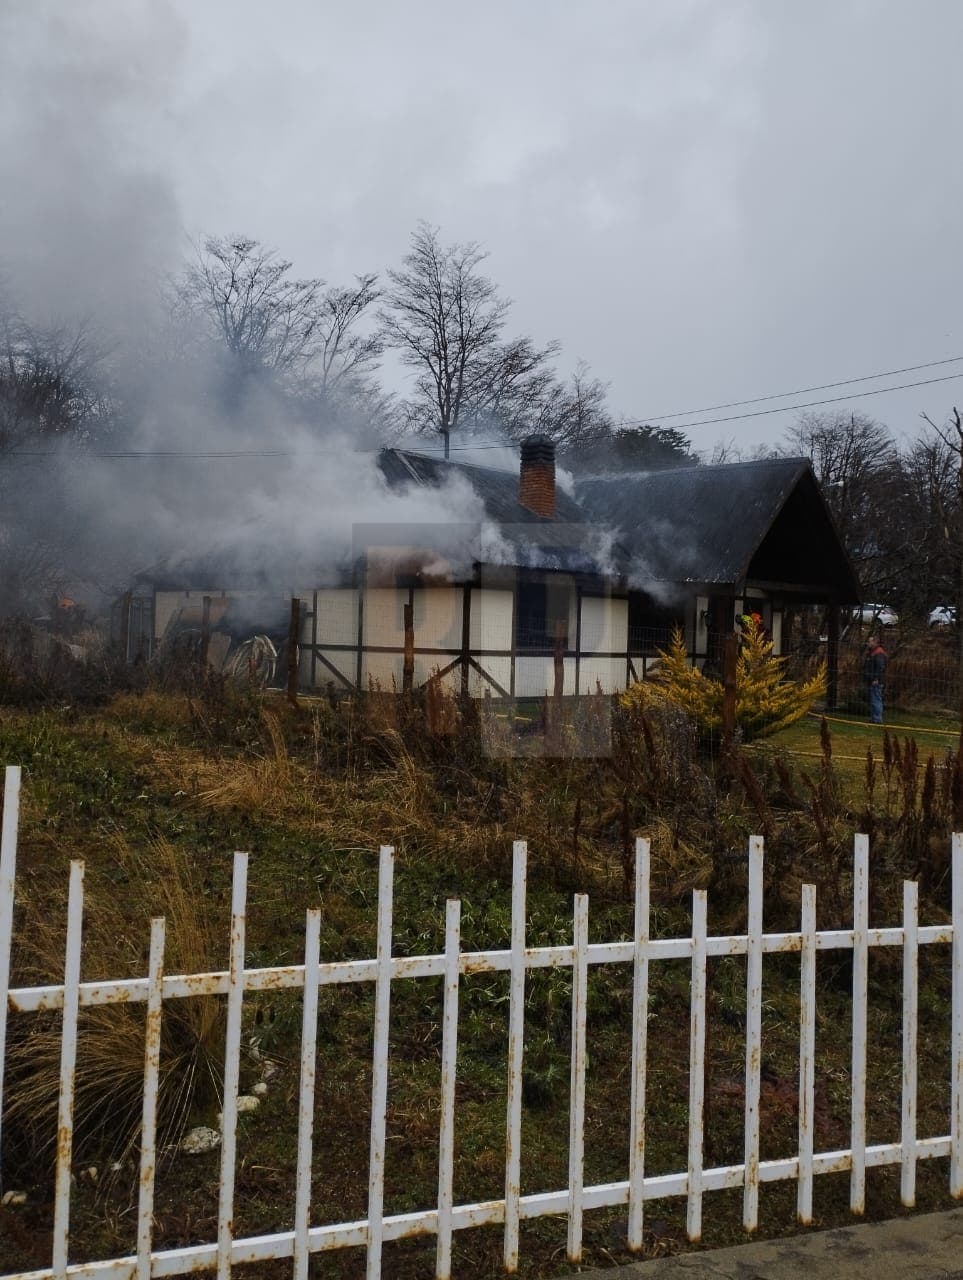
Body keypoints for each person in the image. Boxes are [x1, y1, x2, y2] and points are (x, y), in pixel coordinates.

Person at [863, 634, 887, 724]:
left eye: (870, 641)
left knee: (876, 699)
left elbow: (880, 667)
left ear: (875, 642)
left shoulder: (878, 653)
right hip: (871, 679)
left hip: (876, 680)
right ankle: (873, 717)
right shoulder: (871, 652)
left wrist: (876, 678)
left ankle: (877, 718)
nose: (868, 643)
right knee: (872, 699)